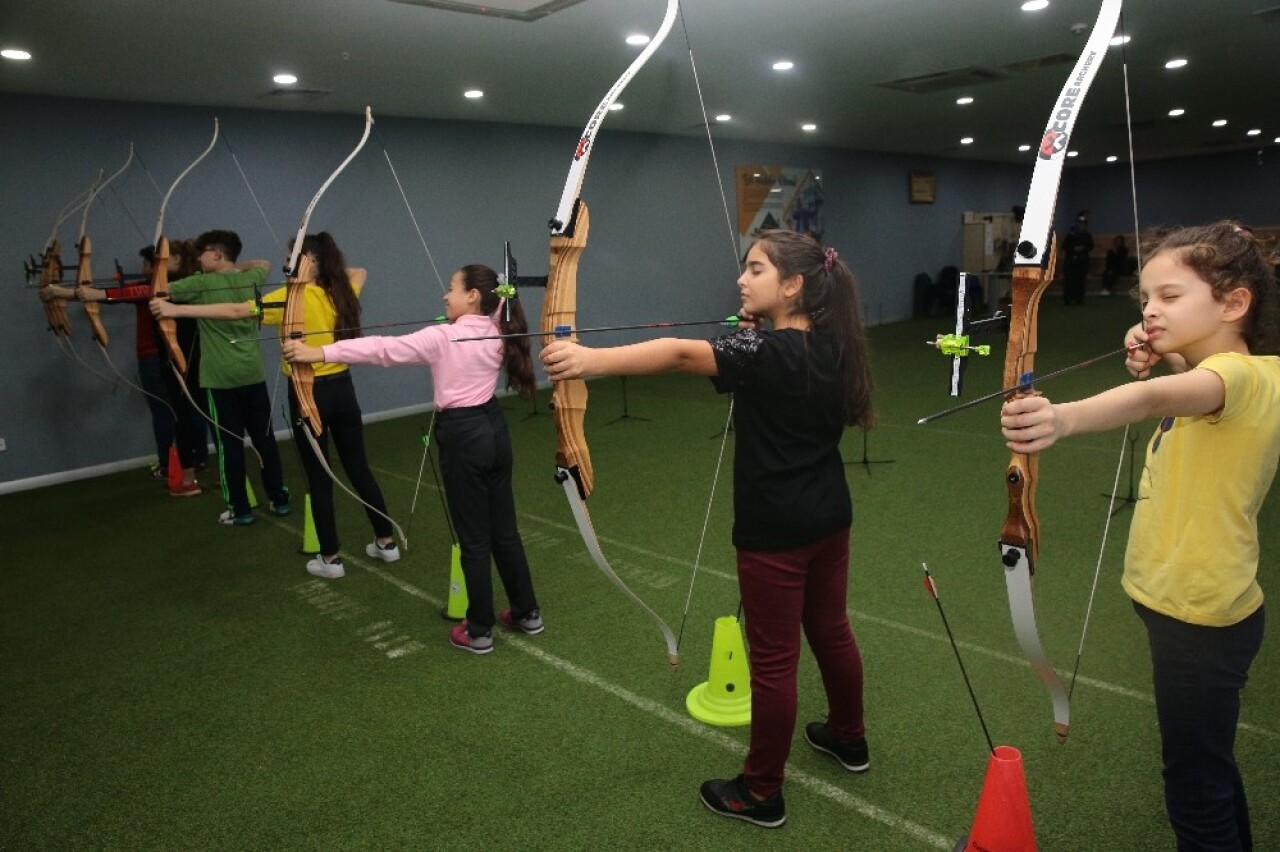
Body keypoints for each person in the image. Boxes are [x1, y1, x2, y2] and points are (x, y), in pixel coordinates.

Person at [541, 230, 874, 829]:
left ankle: (761, 792)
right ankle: (849, 738)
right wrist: (754, 334)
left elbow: (679, 354)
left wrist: (589, 361)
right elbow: (759, 360)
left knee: (772, 664)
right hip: (829, 515)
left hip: (775, 528)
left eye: (755, 270)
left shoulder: (765, 353)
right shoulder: (830, 343)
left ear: (793, 285)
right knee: (831, 629)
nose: (742, 280)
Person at [1000, 221, 1278, 850]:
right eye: (1145, 299)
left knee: (1194, 787)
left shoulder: (1242, 380)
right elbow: (1188, 378)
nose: (1151, 310)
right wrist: (1169, 347)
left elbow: (1161, 397)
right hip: (1191, 609)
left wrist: (1061, 418)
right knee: (1209, 761)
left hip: (1199, 620)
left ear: (1235, 303)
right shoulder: (1234, 376)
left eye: (1171, 297)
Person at [283, 263, 542, 652]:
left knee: (474, 540)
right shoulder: (499, 327)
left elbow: (381, 350)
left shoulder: (444, 336)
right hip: (494, 431)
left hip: (464, 436)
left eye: (452, 289)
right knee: (504, 531)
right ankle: (527, 613)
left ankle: (480, 632)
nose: (445, 295)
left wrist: (316, 350)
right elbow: (492, 310)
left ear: (473, 295)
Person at [155, 232, 398, 578]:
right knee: (358, 467)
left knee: (319, 476)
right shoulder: (340, 292)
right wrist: (320, 269)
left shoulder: (288, 297)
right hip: (343, 390)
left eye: (291, 258)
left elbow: (237, 310)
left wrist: (175, 309)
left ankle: (330, 560)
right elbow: (358, 271)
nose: (284, 264)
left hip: (306, 392)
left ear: (308, 261)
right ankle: (386, 542)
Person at [42, 243, 206, 496]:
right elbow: (133, 290)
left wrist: (65, 292)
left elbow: (135, 291)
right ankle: (193, 466)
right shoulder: (176, 283)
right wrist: (71, 293)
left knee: (183, 414)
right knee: (186, 412)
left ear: (173, 258)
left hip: (183, 359)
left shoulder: (186, 284)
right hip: (176, 358)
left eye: (156, 262)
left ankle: (188, 474)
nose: (149, 268)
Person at [150, 229, 289, 526]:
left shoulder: (201, 282)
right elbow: (264, 264)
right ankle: (279, 499)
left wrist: (161, 299)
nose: (197, 259)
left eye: (202, 254)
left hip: (220, 380)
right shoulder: (249, 278)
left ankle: (240, 510)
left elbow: (158, 290)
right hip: (252, 374)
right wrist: (234, 267)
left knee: (229, 447)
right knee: (265, 440)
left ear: (216, 254)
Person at [1062, 209, 1094, 304]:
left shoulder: (1087, 235)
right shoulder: (1070, 235)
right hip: (1070, 261)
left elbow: (1091, 246)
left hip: (1082, 260)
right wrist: (1073, 248)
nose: (1082, 226)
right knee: (1069, 280)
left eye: (1084, 224)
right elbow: (1064, 246)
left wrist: (1083, 249)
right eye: (1080, 223)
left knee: (1081, 280)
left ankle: (1079, 299)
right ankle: (1068, 298)